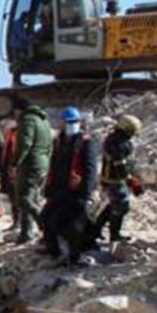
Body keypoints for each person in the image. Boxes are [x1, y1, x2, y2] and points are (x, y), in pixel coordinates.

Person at [41, 107, 99, 262]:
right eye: (68, 122)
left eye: (74, 122)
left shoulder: (86, 143)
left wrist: (85, 194)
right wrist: (49, 188)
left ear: (80, 123)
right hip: (59, 189)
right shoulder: (59, 141)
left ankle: (75, 256)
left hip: (76, 191)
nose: (70, 125)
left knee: (74, 226)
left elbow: (90, 170)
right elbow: (53, 166)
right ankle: (53, 250)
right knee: (47, 218)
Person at [12, 97, 53, 243]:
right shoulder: (43, 120)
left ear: (19, 110)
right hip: (42, 163)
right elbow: (50, 145)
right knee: (32, 197)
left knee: (24, 198)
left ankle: (44, 223)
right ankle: (26, 233)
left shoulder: (28, 120)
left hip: (30, 164)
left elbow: (24, 145)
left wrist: (15, 163)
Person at [95, 115, 142, 243]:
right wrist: (131, 181)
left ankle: (96, 229)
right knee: (121, 206)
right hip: (114, 179)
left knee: (113, 205)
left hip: (114, 178)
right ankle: (114, 235)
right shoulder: (117, 144)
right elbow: (120, 166)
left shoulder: (116, 140)